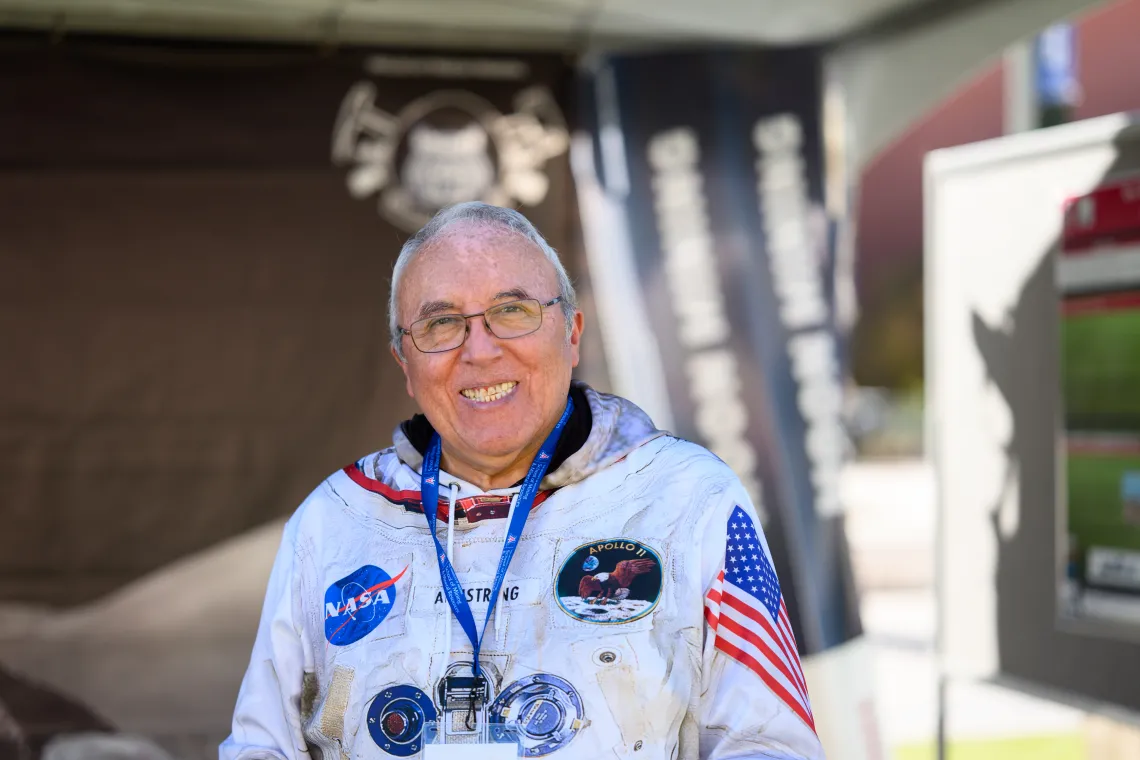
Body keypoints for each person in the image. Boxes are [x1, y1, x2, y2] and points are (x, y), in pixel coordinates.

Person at [221, 202, 824, 760]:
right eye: (440, 324)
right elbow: (262, 746)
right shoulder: (334, 522)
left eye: (513, 311)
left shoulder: (687, 500)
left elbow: (768, 744)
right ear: (405, 364)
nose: (479, 351)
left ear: (573, 333)